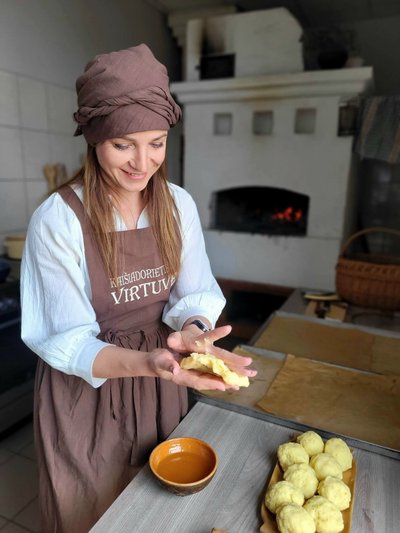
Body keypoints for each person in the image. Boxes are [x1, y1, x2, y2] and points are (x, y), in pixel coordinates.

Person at [20, 44, 256, 533]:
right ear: (94, 139)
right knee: (88, 509)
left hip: (161, 381)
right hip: (88, 390)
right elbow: (65, 338)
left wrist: (192, 333)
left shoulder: (177, 205)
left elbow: (192, 295)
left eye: (156, 142)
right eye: (122, 144)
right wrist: (149, 362)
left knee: (156, 512)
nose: (142, 162)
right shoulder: (59, 218)